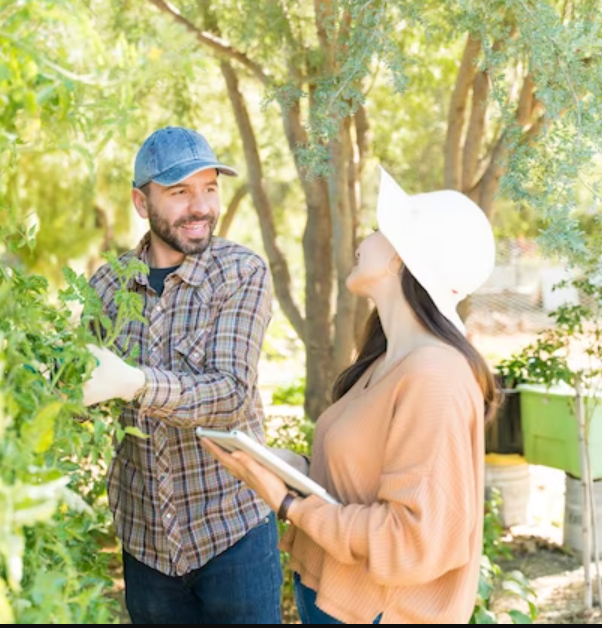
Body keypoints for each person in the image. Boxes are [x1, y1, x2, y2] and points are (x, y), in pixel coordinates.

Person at [203, 167, 499, 624]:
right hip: (334, 598)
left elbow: (411, 540)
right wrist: (280, 464)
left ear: (401, 260)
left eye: (382, 230)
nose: (368, 234)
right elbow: (352, 484)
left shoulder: (436, 376)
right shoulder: (385, 361)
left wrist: (288, 503)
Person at [81, 127, 283, 624]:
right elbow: (80, 391)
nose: (201, 207)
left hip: (232, 532)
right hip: (145, 542)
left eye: (209, 188)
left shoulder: (240, 273)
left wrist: (136, 383)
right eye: (179, 192)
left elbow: (231, 393)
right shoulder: (107, 285)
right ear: (140, 201)